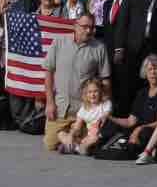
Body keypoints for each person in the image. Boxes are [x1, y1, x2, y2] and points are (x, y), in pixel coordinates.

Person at [43, 10, 111, 153]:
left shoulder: (99, 48)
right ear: (75, 26)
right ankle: (70, 141)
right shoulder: (59, 43)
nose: (89, 30)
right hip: (61, 107)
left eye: (92, 27)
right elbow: (48, 72)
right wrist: (49, 102)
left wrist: (104, 109)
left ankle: (71, 142)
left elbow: (105, 80)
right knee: (50, 144)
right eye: (85, 26)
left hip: (85, 110)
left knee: (92, 142)